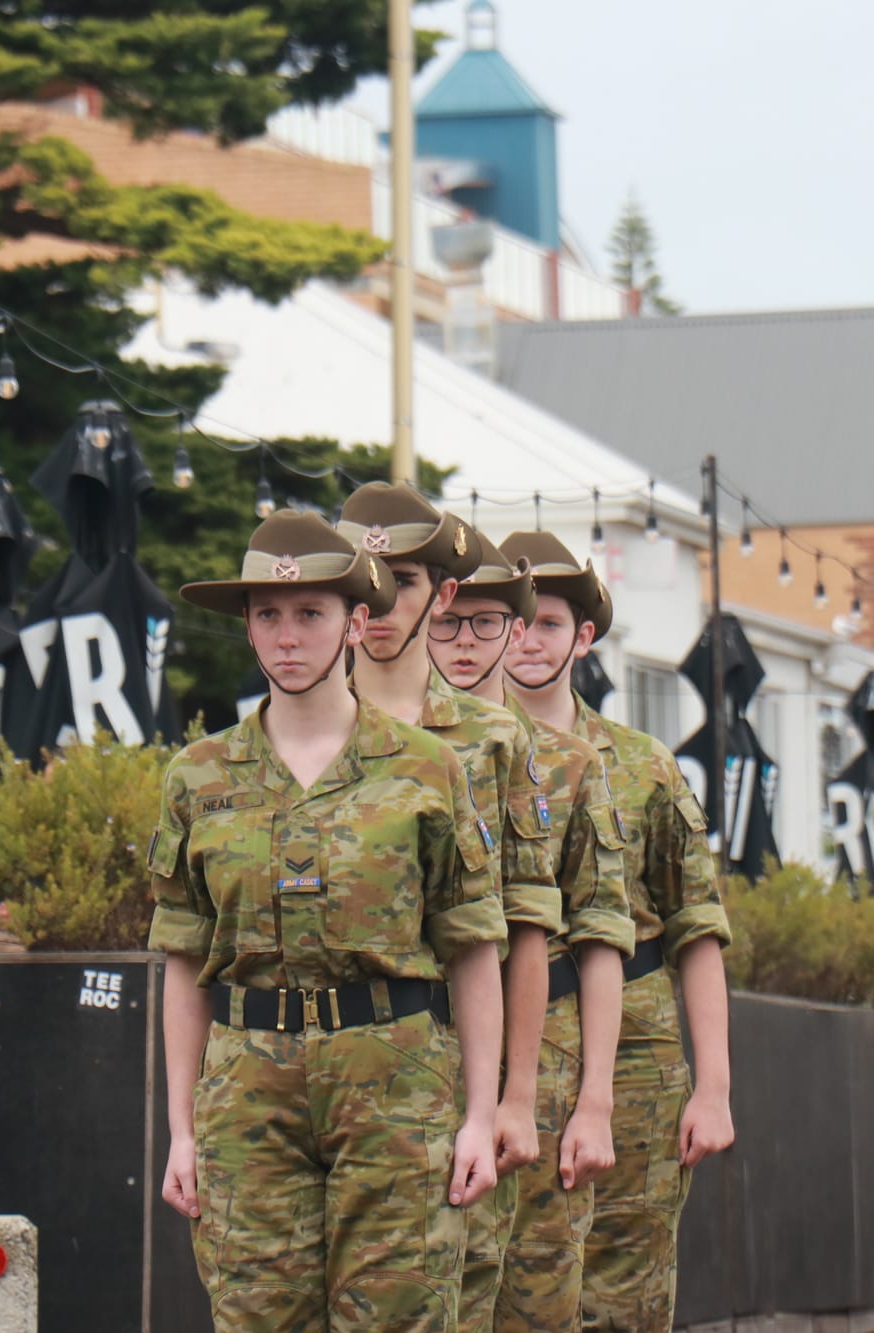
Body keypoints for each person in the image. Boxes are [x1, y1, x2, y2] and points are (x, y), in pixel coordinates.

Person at [150, 512, 507, 1332]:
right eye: (268, 615)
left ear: (354, 622)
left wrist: (480, 1117)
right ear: (245, 625)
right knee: (256, 1316)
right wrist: (180, 1128)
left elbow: (474, 946)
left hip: (396, 1078)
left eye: (310, 613)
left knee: (401, 1314)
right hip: (246, 1091)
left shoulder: (425, 767)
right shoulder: (197, 776)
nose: (287, 636)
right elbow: (180, 959)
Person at [332, 484, 559, 1329]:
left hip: (446, 1060)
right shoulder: (299, 733)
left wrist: (514, 1095)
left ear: (445, 593)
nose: (382, 598)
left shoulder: (493, 740)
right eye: (367, 575)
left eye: (405, 578)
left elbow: (522, 928)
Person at [498, 531, 737, 1333]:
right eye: (515, 619)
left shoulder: (643, 768)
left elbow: (695, 932)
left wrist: (714, 1087)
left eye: (549, 623)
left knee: (622, 1292)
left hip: (633, 1056)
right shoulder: (444, 759)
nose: (528, 639)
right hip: (501, 1045)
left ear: (585, 637)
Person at [427, 532, 634, 1331]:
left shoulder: (568, 766)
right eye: (452, 623)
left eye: (493, 624)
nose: (470, 643)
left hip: (536, 1072)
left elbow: (601, 940)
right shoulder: (376, 757)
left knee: (534, 1301)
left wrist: (593, 1103)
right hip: (408, 1068)